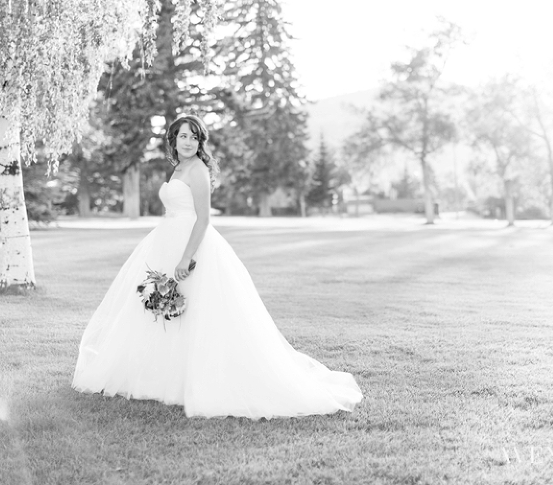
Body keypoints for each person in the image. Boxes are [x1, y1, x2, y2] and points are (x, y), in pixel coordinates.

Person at [72, 114, 363, 419]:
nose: (188, 142)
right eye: (183, 136)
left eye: (194, 137)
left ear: (200, 142)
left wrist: (186, 257)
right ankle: (164, 377)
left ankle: (202, 378)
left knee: (198, 313)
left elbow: (203, 219)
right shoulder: (178, 167)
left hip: (192, 245)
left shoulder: (197, 170)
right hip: (165, 241)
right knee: (165, 311)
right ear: (173, 138)